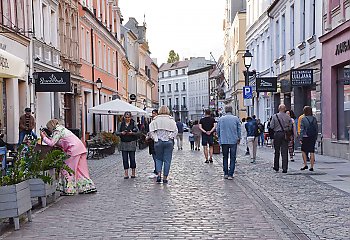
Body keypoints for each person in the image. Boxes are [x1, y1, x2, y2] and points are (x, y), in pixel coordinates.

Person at [40, 119, 96, 195]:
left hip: (73, 150)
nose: (49, 130)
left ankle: (70, 189)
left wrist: (43, 137)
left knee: (67, 169)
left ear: (51, 127)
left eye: (49, 128)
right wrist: (47, 137)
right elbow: (57, 142)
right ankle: (87, 187)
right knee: (81, 169)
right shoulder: (62, 129)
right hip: (80, 148)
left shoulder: (57, 131)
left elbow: (51, 143)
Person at [149, 106, 177, 184]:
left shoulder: (155, 120)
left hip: (158, 142)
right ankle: (165, 177)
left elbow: (151, 130)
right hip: (168, 142)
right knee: (167, 160)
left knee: (158, 159)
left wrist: (155, 138)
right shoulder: (171, 120)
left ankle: (158, 174)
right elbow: (175, 131)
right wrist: (170, 137)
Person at [217, 105, 241, 180]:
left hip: (224, 140)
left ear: (225, 110)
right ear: (232, 110)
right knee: (233, 157)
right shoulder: (236, 118)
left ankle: (225, 173)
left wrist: (219, 138)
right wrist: (239, 138)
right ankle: (231, 174)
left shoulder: (221, 119)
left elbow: (217, 129)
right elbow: (239, 129)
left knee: (225, 157)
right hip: (233, 140)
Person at [270, 104, 293, 173]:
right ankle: (285, 168)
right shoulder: (288, 117)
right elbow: (290, 126)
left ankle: (276, 166)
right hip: (285, 134)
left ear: (278, 108)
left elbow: (271, 126)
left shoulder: (274, 116)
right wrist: (287, 129)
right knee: (284, 151)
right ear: (285, 109)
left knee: (277, 151)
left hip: (277, 134)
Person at [116, 111, 139, 179]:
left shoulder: (133, 123)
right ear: (124, 117)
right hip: (124, 143)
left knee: (132, 158)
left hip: (131, 143)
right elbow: (116, 132)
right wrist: (121, 133)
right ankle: (126, 173)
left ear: (130, 117)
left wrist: (132, 133)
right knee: (125, 159)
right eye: (126, 117)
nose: (127, 118)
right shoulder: (121, 124)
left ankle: (133, 172)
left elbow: (138, 132)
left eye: (128, 117)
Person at [300, 106, 318, 171]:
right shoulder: (314, 119)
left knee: (303, 150)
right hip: (312, 136)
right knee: (312, 151)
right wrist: (315, 137)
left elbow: (302, 129)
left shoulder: (303, 119)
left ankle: (305, 164)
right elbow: (316, 129)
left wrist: (301, 138)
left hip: (305, 136)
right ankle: (312, 166)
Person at [146, 109, 158, 178]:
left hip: (154, 141)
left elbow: (153, 132)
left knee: (155, 157)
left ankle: (157, 171)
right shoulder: (153, 121)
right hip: (153, 141)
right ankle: (156, 170)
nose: (152, 115)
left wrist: (148, 136)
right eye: (152, 113)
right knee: (155, 157)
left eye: (154, 113)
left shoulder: (154, 122)